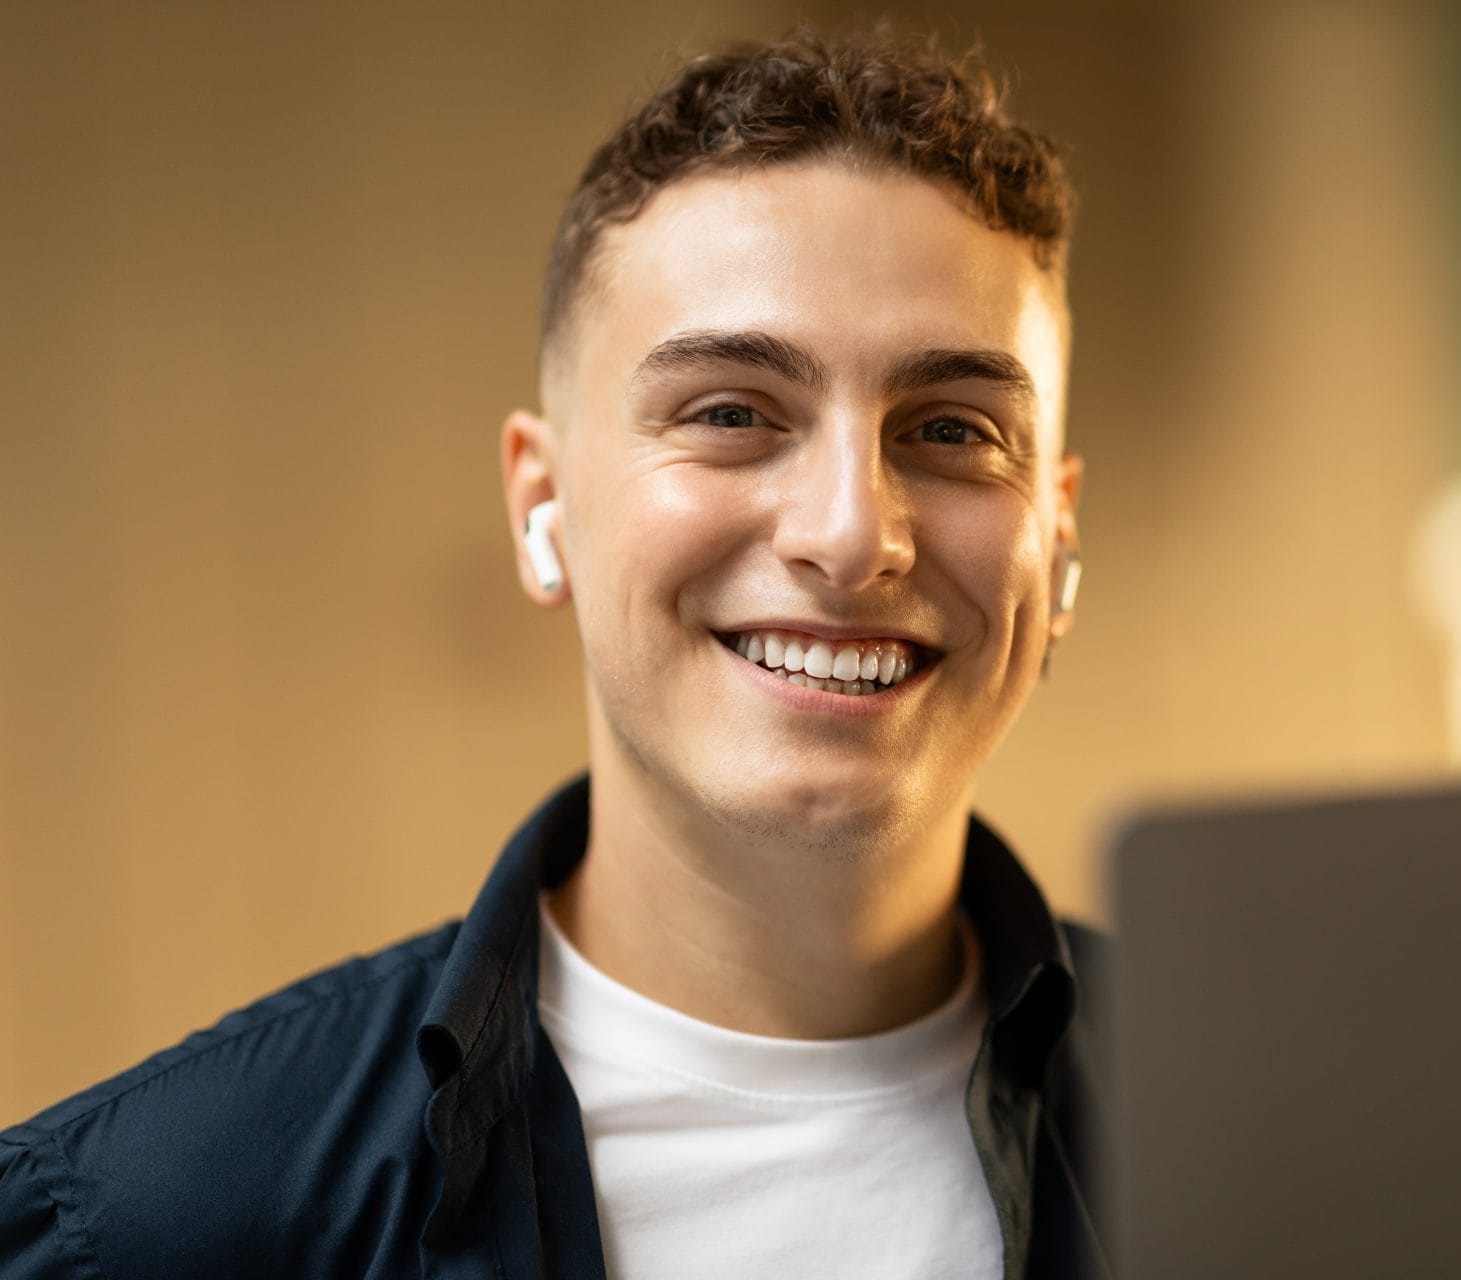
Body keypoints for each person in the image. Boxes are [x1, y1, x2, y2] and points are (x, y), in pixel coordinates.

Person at [0, 26, 1107, 1280]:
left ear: (1055, 530)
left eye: (954, 427)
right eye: (733, 412)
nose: (853, 536)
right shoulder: (150, 1227)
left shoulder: (1312, 1120)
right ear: (545, 506)